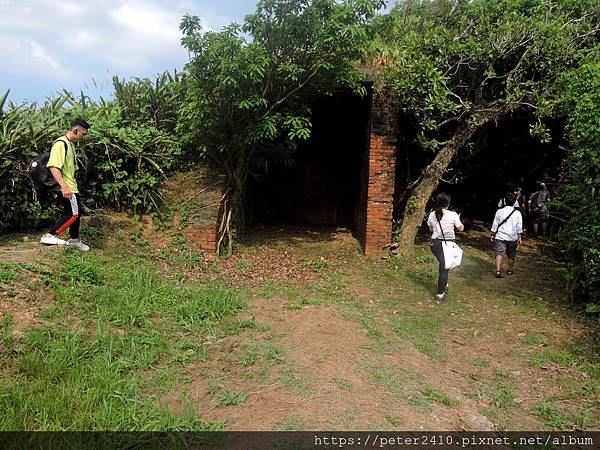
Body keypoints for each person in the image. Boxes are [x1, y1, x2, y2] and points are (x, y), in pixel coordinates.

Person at [39, 118, 91, 251]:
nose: (84, 137)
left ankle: (74, 240)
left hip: (71, 185)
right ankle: (50, 235)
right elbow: (53, 166)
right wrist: (64, 186)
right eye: (83, 134)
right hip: (67, 186)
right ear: (75, 130)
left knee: (76, 213)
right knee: (73, 214)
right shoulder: (60, 144)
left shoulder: (70, 144)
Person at [427, 192, 464, 301]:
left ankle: (444, 283)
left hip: (435, 244)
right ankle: (440, 293)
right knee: (445, 268)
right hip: (447, 244)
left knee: (444, 265)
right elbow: (461, 228)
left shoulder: (432, 214)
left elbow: (430, 229)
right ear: (448, 202)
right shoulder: (453, 215)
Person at [491, 191, 523, 278]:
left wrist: (493, 234)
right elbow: (519, 227)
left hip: (500, 236)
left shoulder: (499, 211)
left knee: (499, 253)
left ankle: (498, 271)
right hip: (512, 237)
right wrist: (519, 237)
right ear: (514, 202)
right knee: (511, 255)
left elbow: (495, 224)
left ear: (504, 201)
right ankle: (510, 270)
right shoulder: (517, 213)